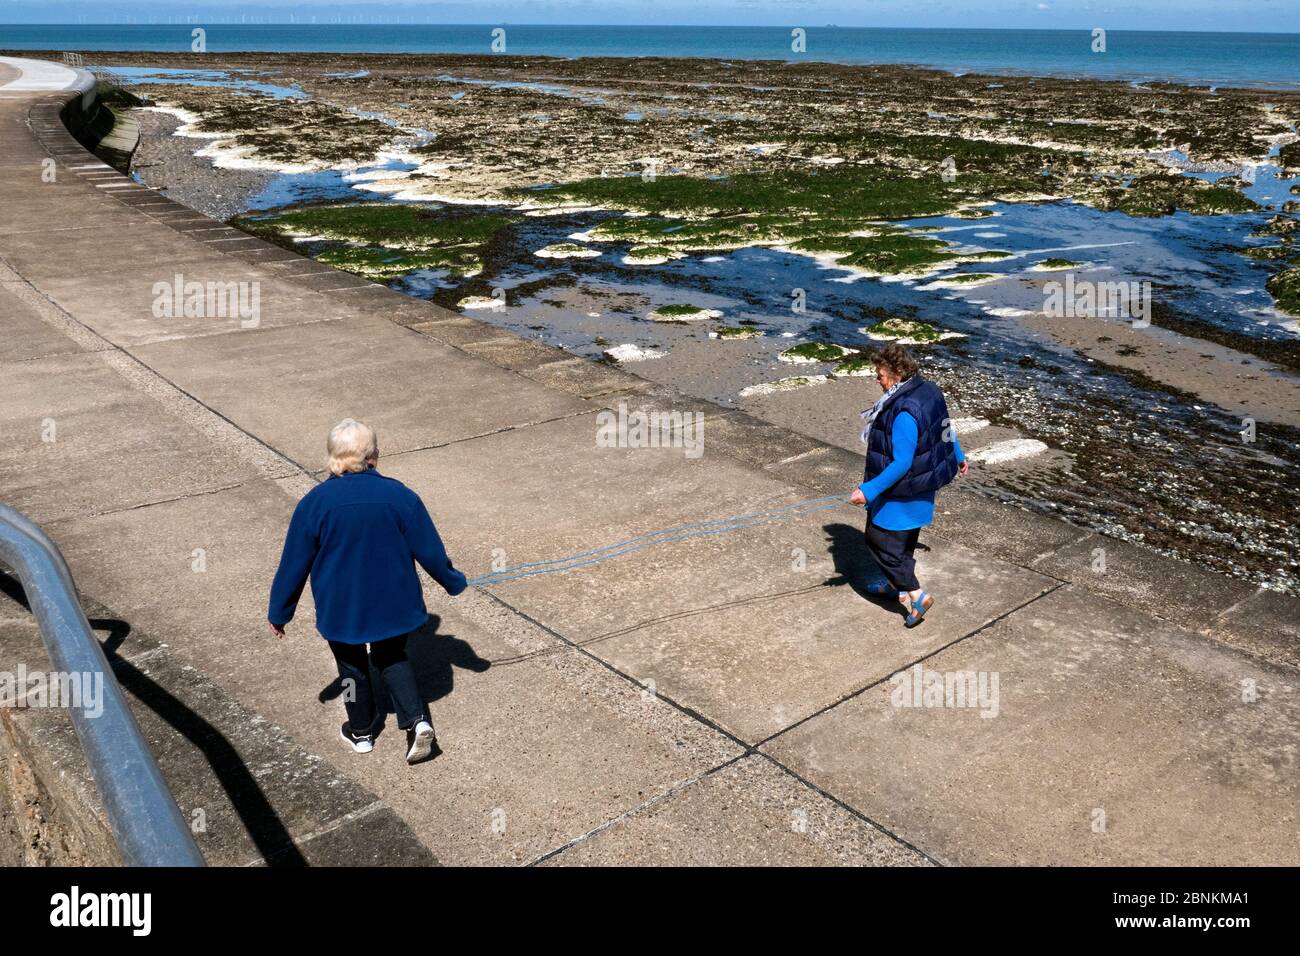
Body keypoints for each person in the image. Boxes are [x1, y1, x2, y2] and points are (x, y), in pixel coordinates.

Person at [267, 419, 467, 764]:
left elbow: (294, 564)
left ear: (332, 458)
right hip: (393, 602)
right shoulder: (399, 495)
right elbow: (429, 549)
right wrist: (453, 581)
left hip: (341, 607)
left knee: (351, 668)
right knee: (392, 656)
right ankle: (416, 721)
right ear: (373, 456)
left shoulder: (315, 503)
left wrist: (280, 611)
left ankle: (360, 732)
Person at [849, 344, 968, 627]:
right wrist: (959, 457)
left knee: (879, 543)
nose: (876, 379)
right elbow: (945, 428)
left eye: (879, 374)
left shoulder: (903, 411)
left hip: (900, 494)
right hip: (922, 491)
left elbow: (901, 463)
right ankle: (895, 586)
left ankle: (916, 594)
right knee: (903, 546)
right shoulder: (929, 391)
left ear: (896, 373)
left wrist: (868, 490)